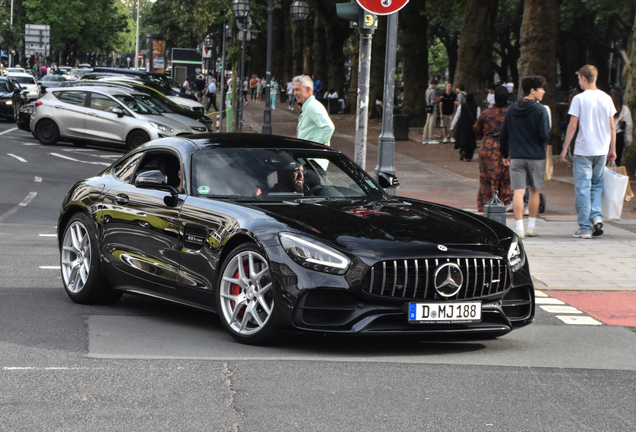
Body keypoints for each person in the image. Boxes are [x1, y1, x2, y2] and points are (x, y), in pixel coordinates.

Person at [560, 65, 617, 239]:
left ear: (583, 78)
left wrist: (564, 148)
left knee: (583, 187)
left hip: (584, 149)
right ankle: (597, 216)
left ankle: (585, 227)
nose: (579, 82)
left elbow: (572, 125)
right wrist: (612, 149)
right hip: (601, 149)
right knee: (597, 185)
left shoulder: (579, 99)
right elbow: (612, 127)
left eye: (579, 79)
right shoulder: (607, 98)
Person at [500, 76, 551, 239]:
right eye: (541, 88)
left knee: (518, 192)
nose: (543, 91)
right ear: (532, 90)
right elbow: (545, 135)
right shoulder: (541, 110)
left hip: (516, 156)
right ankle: (532, 226)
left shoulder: (512, 109)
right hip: (536, 156)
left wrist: (504, 153)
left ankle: (519, 227)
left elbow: (504, 134)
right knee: (535, 191)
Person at [475, 86, 512, 212]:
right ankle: (505, 202)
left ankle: (485, 204)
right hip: (507, 147)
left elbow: (476, 128)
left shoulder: (486, 113)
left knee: (486, 178)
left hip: (488, 148)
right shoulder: (511, 113)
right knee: (507, 178)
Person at [292, 75, 335, 146]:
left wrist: (315, 148)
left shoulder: (312, 106)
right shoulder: (309, 106)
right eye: (294, 90)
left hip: (312, 156)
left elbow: (328, 127)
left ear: (308, 89)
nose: (295, 93)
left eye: (298, 90)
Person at [451, 93, 480, 161]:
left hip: (462, 125)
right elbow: (479, 118)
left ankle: (463, 150)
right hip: (472, 125)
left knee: (462, 138)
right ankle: (469, 156)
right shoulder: (477, 107)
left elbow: (456, 117)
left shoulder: (461, 106)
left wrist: (452, 126)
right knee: (471, 140)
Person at [610, 88, 633, 167]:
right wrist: (628, 141)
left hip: (606, 137)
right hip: (618, 138)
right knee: (616, 162)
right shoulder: (624, 109)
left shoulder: (606, 107)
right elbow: (629, 126)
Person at [423, 79, 442, 144]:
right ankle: (430, 138)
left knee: (427, 123)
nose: (435, 86)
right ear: (433, 84)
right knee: (431, 123)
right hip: (433, 108)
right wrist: (439, 99)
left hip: (428, 107)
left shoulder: (427, 90)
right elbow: (432, 101)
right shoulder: (433, 91)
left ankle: (424, 138)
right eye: (435, 85)